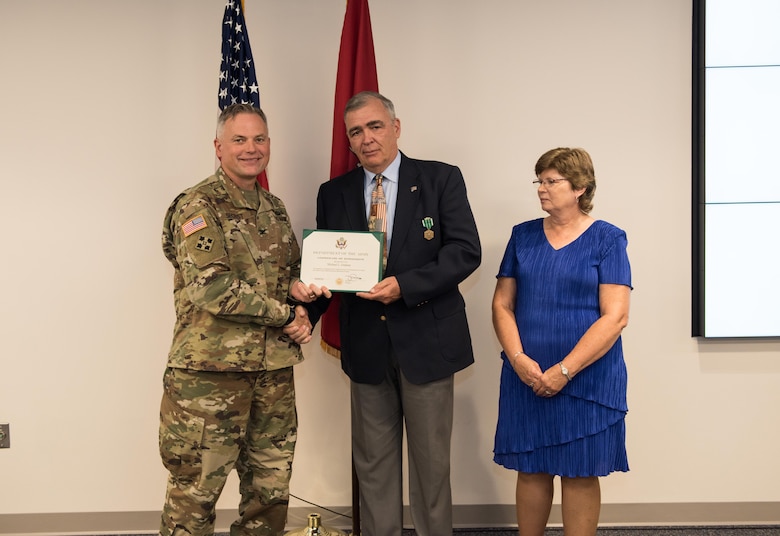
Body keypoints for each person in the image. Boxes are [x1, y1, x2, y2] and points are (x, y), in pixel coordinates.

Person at [314, 91, 481, 536]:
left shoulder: (440, 179)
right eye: (355, 131)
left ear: (396, 127)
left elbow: (465, 252)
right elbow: (329, 268)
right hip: (366, 347)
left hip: (427, 343)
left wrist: (405, 286)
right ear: (348, 141)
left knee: (431, 470)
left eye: (374, 126)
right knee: (373, 470)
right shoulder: (334, 193)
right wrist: (304, 308)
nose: (366, 138)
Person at [159, 103, 330, 536]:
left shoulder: (273, 208)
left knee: (269, 497)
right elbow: (212, 287)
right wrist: (284, 313)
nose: (250, 149)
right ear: (219, 147)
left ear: (269, 145)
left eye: (259, 139)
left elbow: (287, 274)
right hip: (208, 378)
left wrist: (301, 300)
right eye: (239, 140)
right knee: (194, 498)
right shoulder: (196, 206)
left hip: (271, 375)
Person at [491, 147, 632, 536]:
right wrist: (518, 358)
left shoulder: (607, 238)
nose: (542, 189)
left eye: (552, 181)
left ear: (580, 187)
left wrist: (565, 370)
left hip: (587, 376)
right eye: (540, 180)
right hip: (527, 374)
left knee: (580, 471)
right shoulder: (522, 236)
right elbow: (502, 304)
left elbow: (616, 315)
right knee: (531, 468)